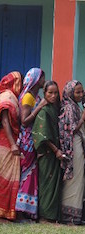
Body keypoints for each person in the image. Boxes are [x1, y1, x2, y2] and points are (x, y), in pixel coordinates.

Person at [15, 68, 46, 220]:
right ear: (35, 80)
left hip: (33, 139)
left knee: (31, 174)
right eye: (42, 77)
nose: (44, 80)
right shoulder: (28, 97)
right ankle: (20, 210)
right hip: (27, 141)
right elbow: (24, 121)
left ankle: (28, 210)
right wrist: (39, 108)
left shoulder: (35, 96)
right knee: (26, 175)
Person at [0, 72, 22, 221]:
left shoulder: (13, 97)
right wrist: (12, 144)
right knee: (3, 177)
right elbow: (4, 122)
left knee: (11, 177)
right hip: (6, 141)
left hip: (11, 140)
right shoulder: (7, 97)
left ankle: (8, 211)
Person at [32, 81, 63, 223]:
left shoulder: (55, 109)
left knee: (54, 185)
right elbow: (42, 135)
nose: (53, 95)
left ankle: (52, 216)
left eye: (56, 92)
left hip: (55, 154)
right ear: (44, 93)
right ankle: (45, 216)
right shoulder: (44, 111)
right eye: (50, 93)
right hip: (48, 154)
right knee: (47, 184)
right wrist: (55, 149)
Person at [59, 80, 85, 224]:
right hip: (73, 147)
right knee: (73, 180)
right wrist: (82, 118)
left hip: (78, 146)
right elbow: (72, 129)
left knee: (79, 179)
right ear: (70, 93)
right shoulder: (69, 107)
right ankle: (69, 215)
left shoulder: (75, 106)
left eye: (82, 91)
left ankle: (76, 215)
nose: (81, 94)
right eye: (78, 92)